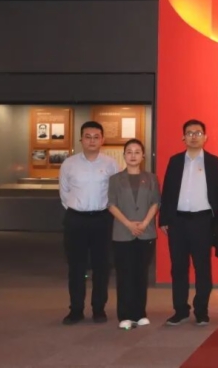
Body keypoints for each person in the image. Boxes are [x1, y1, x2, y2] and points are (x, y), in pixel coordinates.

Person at [160, 119, 218, 326]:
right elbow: (167, 192)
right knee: (178, 268)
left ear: (205, 137)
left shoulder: (214, 162)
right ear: (183, 137)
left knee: (202, 267)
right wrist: (164, 219)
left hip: (203, 221)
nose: (194, 136)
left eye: (198, 133)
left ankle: (201, 310)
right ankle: (180, 310)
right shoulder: (175, 161)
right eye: (189, 133)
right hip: (178, 221)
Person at [59, 121, 119, 325]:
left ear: (102, 140)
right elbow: (64, 192)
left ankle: (98, 309)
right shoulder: (69, 164)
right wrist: (77, 210)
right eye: (88, 136)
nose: (92, 141)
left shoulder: (110, 164)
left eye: (96, 137)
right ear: (81, 139)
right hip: (76, 220)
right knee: (76, 267)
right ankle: (75, 310)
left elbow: (115, 192)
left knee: (102, 267)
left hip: (102, 219)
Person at [107, 139, 160, 330]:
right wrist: (129, 224)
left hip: (146, 233)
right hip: (123, 232)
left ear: (143, 156)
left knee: (141, 274)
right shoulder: (115, 179)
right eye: (129, 152)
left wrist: (144, 223)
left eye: (137, 152)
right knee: (124, 275)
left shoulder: (151, 178)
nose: (133, 155)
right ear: (124, 155)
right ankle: (125, 315)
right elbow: (111, 204)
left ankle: (140, 313)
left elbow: (155, 202)